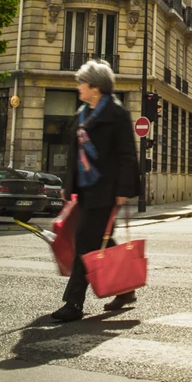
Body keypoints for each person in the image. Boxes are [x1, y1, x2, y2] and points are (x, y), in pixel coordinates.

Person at [49, 59, 140, 323]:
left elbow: (126, 154)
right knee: (102, 241)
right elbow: (74, 154)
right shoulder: (82, 114)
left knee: (85, 243)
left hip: (107, 190)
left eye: (82, 83)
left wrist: (124, 189)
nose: (79, 87)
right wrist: (69, 185)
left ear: (96, 87)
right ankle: (125, 290)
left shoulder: (116, 114)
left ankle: (73, 303)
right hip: (87, 189)